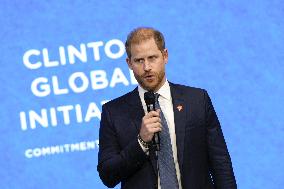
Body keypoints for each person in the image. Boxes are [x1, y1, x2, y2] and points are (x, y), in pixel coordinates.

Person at [97, 27, 237, 189]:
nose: (147, 67)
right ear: (129, 63)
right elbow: (108, 176)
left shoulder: (197, 100)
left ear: (165, 56)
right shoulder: (113, 112)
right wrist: (141, 142)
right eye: (139, 60)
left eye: (152, 58)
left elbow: (220, 163)